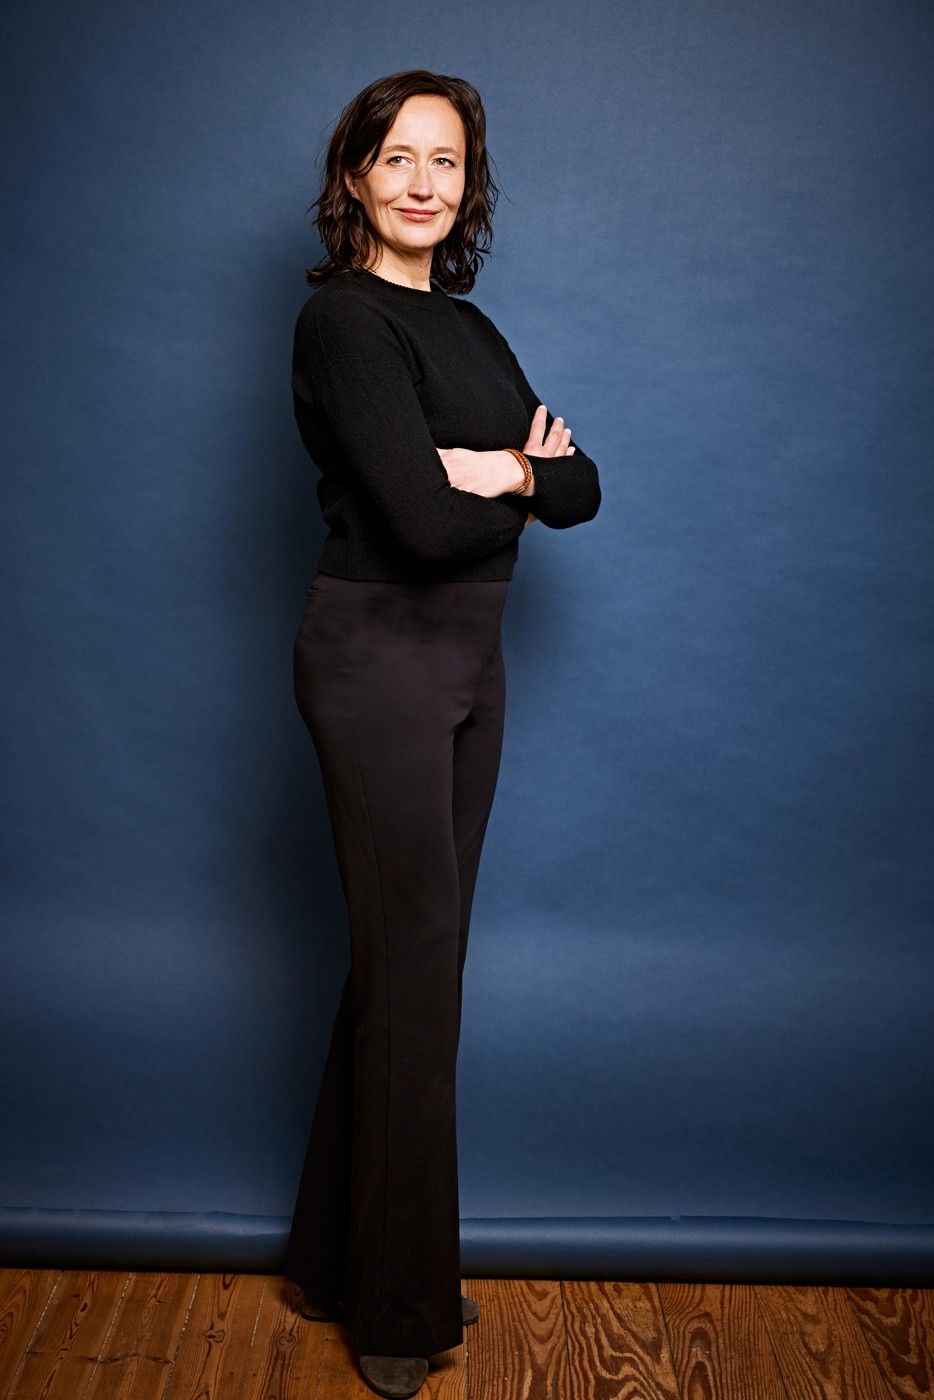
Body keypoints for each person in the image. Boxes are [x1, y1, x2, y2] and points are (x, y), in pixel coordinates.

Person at [281, 68, 601, 1400]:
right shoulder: (344, 324)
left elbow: (583, 485)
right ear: (355, 174)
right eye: (398, 156)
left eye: (447, 161)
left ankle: (333, 1255)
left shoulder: (465, 327)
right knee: (417, 971)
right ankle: (402, 1304)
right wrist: (514, 479)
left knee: (409, 964)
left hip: (472, 657)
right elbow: (415, 524)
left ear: (469, 188)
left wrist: (506, 472)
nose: (423, 182)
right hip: (379, 661)